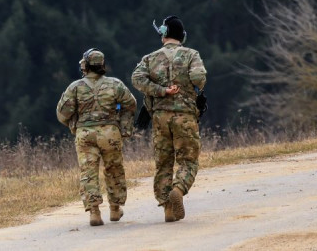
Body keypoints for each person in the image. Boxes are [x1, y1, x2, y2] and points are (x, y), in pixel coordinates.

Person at [131, 15, 207, 223]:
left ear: (163, 35)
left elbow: (137, 78)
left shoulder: (149, 58)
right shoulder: (191, 55)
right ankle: (179, 189)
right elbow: (199, 79)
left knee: (163, 163)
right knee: (188, 160)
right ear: (182, 35)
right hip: (185, 116)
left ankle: (167, 207)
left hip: (160, 117)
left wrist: (161, 90)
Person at [56, 48, 137, 226]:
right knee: (114, 169)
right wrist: (123, 127)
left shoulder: (75, 87)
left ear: (85, 66)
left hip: (85, 134)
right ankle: (115, 209)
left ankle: (94, 212)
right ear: (102, 65)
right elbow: (131, 104)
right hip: (110, 133)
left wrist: (74, 124)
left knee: (88, 172)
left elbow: (62, 114)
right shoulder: (115, 84)